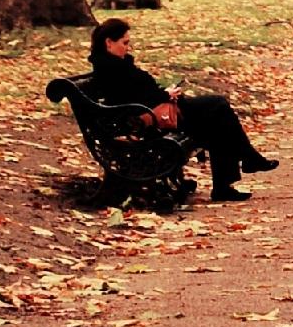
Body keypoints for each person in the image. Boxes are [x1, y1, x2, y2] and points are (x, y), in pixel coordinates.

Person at [87, 19, 277, 204]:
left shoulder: (115, 63)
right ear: (109, 42)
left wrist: (165, 94)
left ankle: (231, 179)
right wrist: (164, 94)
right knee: (218, 105)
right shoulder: (110, 68)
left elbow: (137, 92)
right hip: (146, 119)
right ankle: (245, 164)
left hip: (152, 112)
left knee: (218, 123)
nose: (128, 48)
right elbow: (130, 98)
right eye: (125, 43)